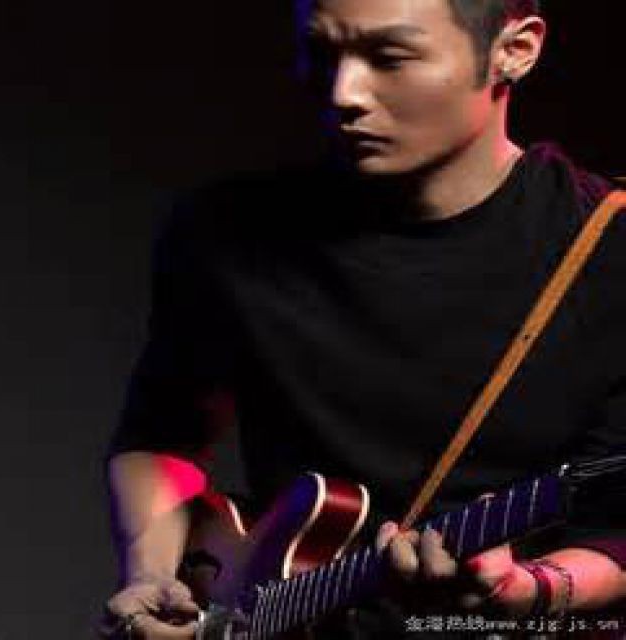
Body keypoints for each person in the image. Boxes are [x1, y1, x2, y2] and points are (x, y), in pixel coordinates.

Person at [100, 0, 626, 637]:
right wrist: (151, 574)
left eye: (389, 56)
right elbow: (159, 439)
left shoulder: (608, 247)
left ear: (514, 51)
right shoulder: (222, 231)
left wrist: (536, 588)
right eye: (322, 54)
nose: (343, 94)